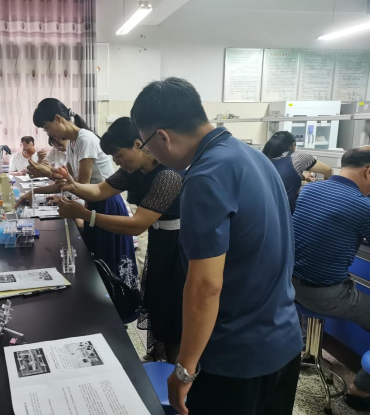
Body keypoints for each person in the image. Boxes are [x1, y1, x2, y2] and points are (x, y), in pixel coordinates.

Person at [131, 77, 303, 415]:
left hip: (235, 358)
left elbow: (205, 285)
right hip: (283, 341)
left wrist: (185, 368)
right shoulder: (253, 157)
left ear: (163, 136)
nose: (151, 155)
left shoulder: (205, 176)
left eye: (146, 145)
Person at [52, 117, 186, 363]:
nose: (116, 162)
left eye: (119, 155)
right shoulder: (132, 170)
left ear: (138, 144)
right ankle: (158, 354)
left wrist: (86, 215)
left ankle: (174, 363)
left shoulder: (168, 175)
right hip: (160, 239)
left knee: (173, 303)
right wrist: (72, 185)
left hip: (180, 244)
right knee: (156, 297)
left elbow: (137, 225)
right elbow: (99, 190)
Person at [17, 98, 138, 289]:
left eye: (47, 128)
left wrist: (47, 173)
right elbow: (69, 184)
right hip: (93, 200)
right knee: (96, 260)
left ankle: (116, 301)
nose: (49, 134)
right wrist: (33, 192)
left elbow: (80, 184)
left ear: (58, 118)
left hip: (106, 202)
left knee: (109, 262)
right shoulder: (73, 143)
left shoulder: (85, 140)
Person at [292, 147, 370, 411]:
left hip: (289, 288)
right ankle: (361, 391)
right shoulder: (362, 206)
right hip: (326, 296)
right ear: (368, 172)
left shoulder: (309, 190)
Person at [263, 131, 333, 213]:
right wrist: (326, 180)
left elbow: (278, 176)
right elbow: (328, 170)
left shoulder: (262, 159)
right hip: (283, 213)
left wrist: (303, 176)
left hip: (262, 210)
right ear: (293, 145)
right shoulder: (297, 157)